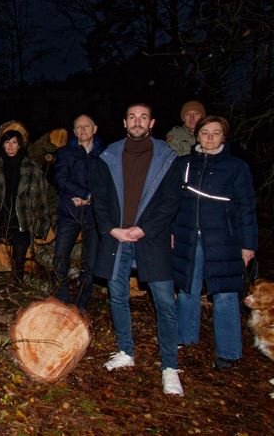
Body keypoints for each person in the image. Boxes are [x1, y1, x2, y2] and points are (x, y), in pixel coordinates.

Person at [91, 103, 183, 396]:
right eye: (132, 116)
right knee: (118, 298)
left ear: (152, 122)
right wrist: (111, 229)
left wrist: (144, 229)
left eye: (143, 117)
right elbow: (101, 199)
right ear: (124, 121)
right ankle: (125, 351)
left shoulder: (168, 158)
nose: (137, 121)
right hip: (117, 239)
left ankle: (169, 367)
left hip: (151, 239)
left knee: (165, 304)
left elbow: (171, 201)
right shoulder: (109, 156)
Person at [172, 116, 258, 369]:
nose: (210, 137)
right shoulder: (184, 165)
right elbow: (173, 202)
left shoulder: (236, 167)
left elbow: (246, 208)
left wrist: (248, 244)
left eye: (216, 133)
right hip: (189, 236)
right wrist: (172, 231)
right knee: (188, 288)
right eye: (205, 132)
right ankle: (185, 338)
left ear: (223, 137)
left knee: (225, 294)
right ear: (197, 136)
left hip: (226, 240)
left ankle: (228, 352)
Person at [0, 130, 51, 279]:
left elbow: (42, 198)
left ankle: (18, 293)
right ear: (2, 146)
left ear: (20, 145)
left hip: (22, 220)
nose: (11, 146)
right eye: (7, 143)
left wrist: (43, 225)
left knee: (18, 267)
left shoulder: (32, 168)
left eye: (14, 142)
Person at [52, 114, 104, 311]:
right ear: (74, 131)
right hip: (69, 212)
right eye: (78, 127)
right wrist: (86, 194)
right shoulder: (65, 153)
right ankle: (61, 300)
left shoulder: (105, 154)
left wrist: (91, 198)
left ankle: (80, 304)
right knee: (60, 258)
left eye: (87, 126)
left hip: (95, 214)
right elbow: (61, 179)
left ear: (95, 129)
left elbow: (107, 184)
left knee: (89, 263)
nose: (83, 130)